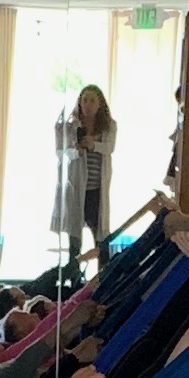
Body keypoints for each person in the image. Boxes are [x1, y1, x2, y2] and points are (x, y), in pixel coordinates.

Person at [53, 82, 120, 257]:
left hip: (97, 190)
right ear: (80, 103)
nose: (88, 105)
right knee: (75, 236)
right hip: (76, 188)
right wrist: (77, 151)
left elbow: (109, 147)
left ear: (100, 104)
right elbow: (62, 152)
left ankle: (103, 278)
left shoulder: (109, 126)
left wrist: (93, 145)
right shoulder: (71, 125)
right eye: (85, 100)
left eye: (92, 100)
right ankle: (73, 277)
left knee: (101, 237)